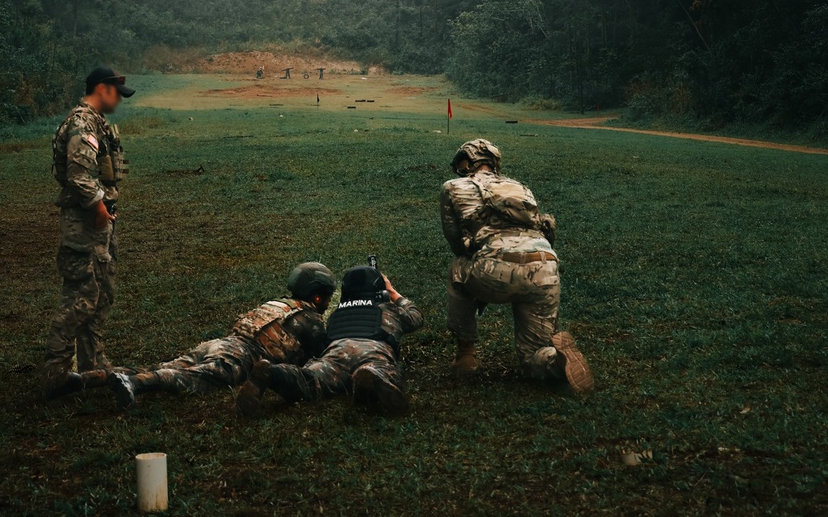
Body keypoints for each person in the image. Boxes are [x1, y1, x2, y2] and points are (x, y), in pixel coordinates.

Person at [440, 137, 593, 391]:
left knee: (457, 269)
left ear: (470, 162)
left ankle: (466, 355)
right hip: (545, 268)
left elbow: (455, 241)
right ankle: (557, 360)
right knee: (533, 355)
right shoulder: (520, 188)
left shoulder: (453, 187)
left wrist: (480, 269)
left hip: (496, 268)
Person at [107, 262, 337, 413]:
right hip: (242, 356)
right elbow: (324, 355)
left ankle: (89, 378)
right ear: (316, 296)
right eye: (326, 298)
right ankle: (134, 383)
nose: (326, 304)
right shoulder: (309, 319)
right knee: (192, 378)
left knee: (169, 365)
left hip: (221, 343)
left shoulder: (278, 303)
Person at [43, 66, 134, 398]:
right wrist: (98, 210)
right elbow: (80, 177)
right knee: (81, 298)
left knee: (101, 293)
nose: (118, 102)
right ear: (101, 88)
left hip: (99, 221)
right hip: (85, 224)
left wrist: (106, 210)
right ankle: (56, 370)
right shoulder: (82, 124)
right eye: (116, 94)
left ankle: (93, 365)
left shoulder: (98, 123)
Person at [249, 263, 423, 415]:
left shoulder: (336, 314)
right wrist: (393, 293)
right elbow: (416, 317)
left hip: (335, 354)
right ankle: (369, 377)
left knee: (310, 379)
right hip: (372, 351)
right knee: (383, 371)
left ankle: (274, 373)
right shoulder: (388, 309)